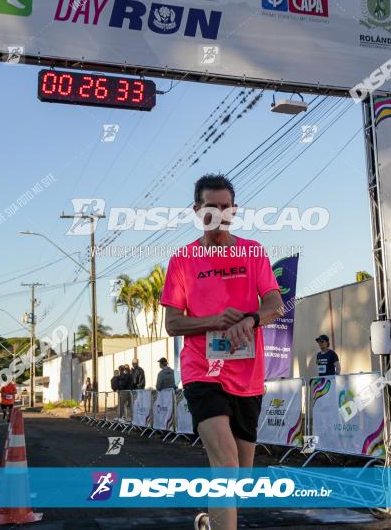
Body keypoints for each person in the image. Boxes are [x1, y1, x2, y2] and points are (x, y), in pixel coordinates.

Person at [161, 174, 284, 530]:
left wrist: (251, 319)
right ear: (197, 210)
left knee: (240, 479)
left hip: (247, 376)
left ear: (234, 210)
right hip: (203, 371)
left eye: (225, 207)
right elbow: (172, 323)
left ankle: (213, 522)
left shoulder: (253, 252)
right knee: (226, 466)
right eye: (210, 207)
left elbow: (275, 303)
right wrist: (214, 321)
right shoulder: (183, 260)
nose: (218, 214)